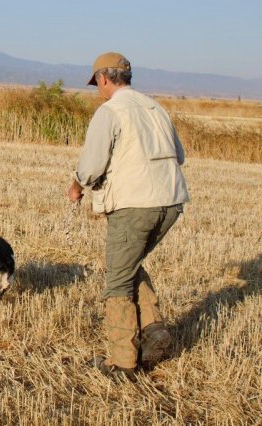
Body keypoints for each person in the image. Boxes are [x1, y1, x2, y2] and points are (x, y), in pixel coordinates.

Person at [67, 52, 190, 380]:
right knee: (129, 264)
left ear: (103, 80)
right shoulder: (155, 107)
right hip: (172, 201)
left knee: (118, 279)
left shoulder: (110, 111)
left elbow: (92, 165)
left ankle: (122, 363)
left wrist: (77, 186)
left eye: (97, 84)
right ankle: (154, 330)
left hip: (134, 205)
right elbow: (179, 155)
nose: (98, 89)